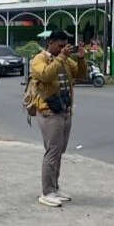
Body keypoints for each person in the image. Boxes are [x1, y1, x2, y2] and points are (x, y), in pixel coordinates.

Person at [30, 30, 87, 207]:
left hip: (64, 110)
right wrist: (61, 58)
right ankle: (46, 192)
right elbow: (45, 75)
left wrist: (81, 58)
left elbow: (80, 74)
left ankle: (54, 187)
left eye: (65, 46)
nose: (63, 49)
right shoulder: (39, 59)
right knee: (52, 152)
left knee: (59, 151)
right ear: (51, 43)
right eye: (60, 46)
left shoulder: (65, 59)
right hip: (48, 111)